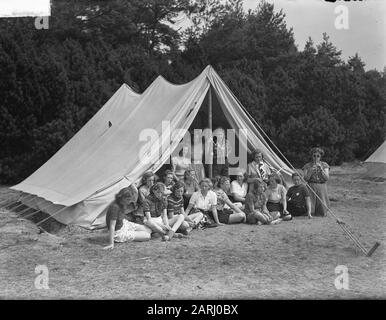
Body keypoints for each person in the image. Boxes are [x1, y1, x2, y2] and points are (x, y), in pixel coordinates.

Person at [302, 147, 330, 217]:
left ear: (320, 157)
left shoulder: (324, 165)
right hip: (311, 185)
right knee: (311, 202)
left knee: (322, 206)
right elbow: (305, 179)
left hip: (321, 186)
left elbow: (327, 178)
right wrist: (310, 171)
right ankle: (310, 212)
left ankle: (322, 212)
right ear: (312, 156)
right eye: (314, 156)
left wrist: (322, 171)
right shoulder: (307, 166)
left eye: (318, 156)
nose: (316, 158)